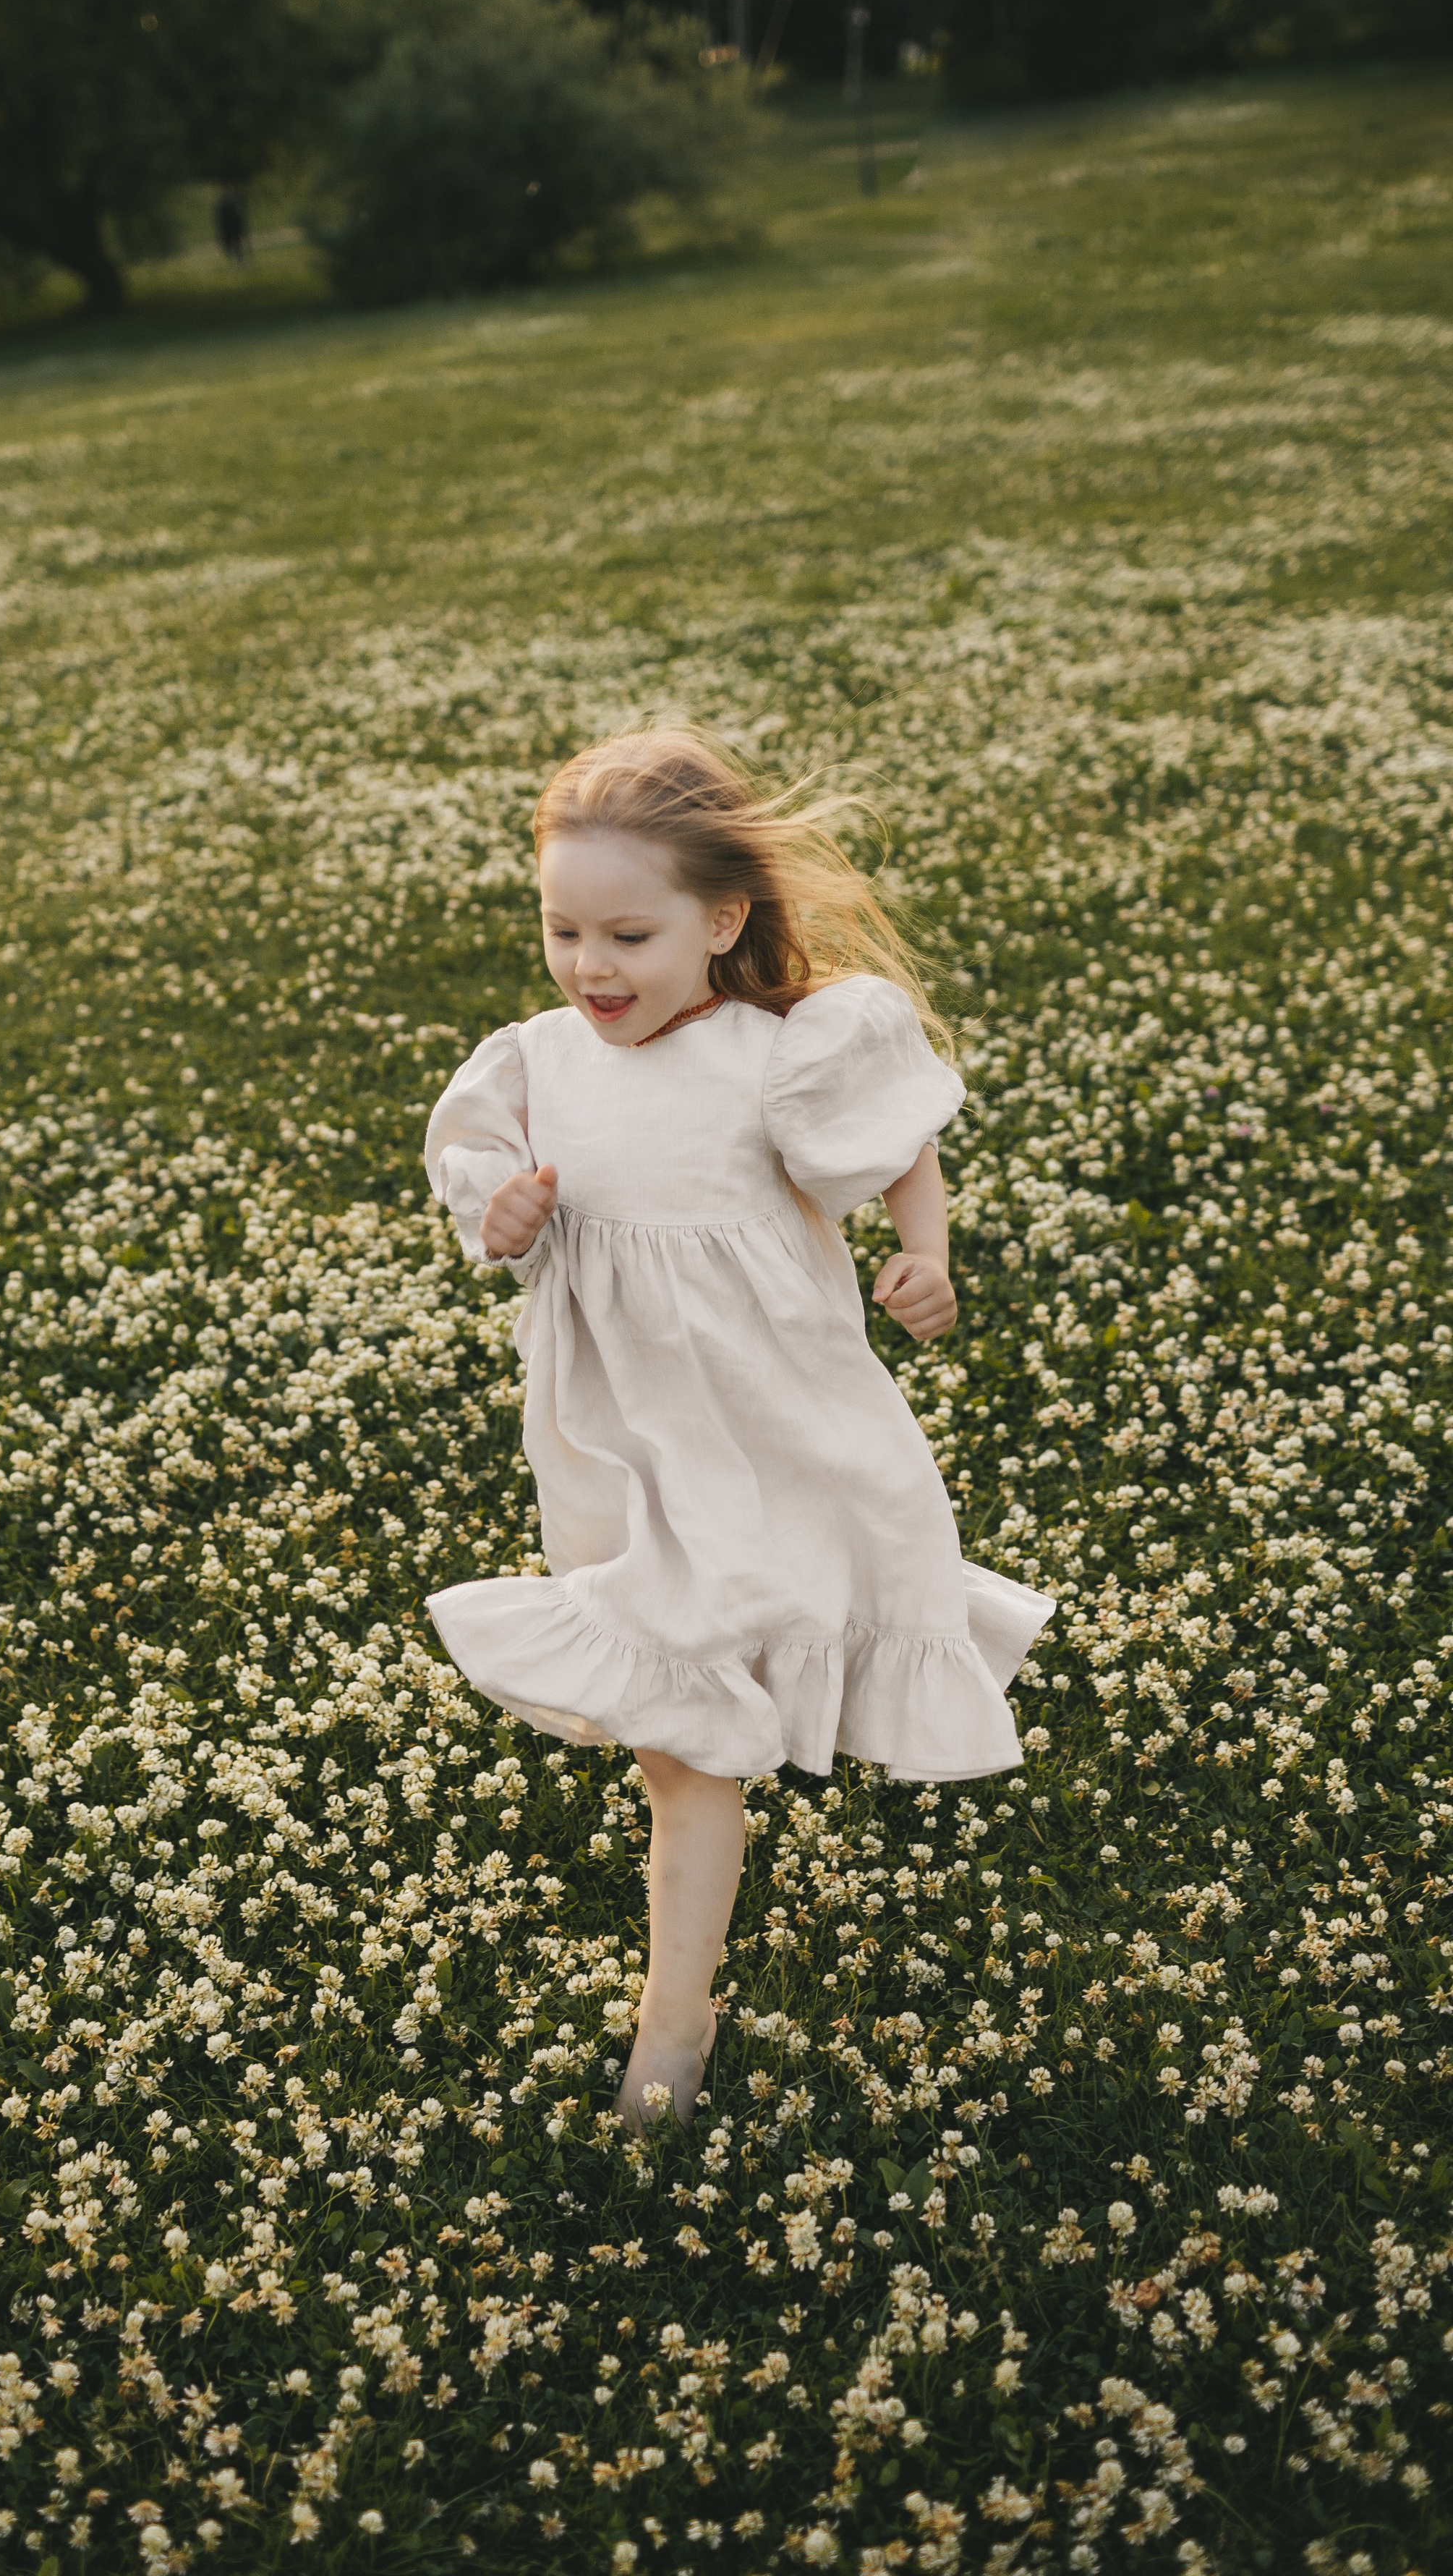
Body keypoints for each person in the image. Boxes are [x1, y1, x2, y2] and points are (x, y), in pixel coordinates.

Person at [423, 729, 1054, 2133]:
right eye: (562, 929)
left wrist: (926, 1257)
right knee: (681, 1721)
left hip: (774, 1432)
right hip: (623, 1449)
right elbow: (473, 1174)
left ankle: (670, 2021)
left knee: (683, 1743)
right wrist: (501, 1216)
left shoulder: (786, 1055)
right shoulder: (534, 1061)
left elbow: (899, 1149)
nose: (590, 966)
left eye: (627, 934)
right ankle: (688, 1954)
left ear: (719, 923)